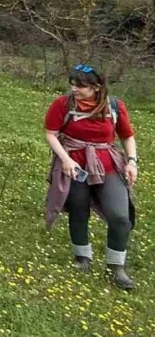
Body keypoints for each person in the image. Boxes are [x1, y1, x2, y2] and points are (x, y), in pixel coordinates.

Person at [45, 64, 138, 290]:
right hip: (75, 166)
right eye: (72, 84)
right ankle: (82, 258)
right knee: (78, 209)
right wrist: (65, 159)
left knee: (120, 216)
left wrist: (132, 161)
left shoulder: (114, 107)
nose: (74, 89)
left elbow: (127, 136)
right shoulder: (62, 104)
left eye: (81, 86)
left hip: (107, 165)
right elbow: (51, 133)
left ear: (96, 87)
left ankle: (116, 268)